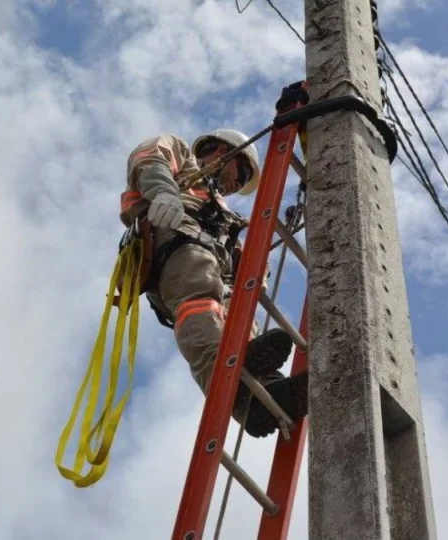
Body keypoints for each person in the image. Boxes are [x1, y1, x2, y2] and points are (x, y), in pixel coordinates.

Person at [119, 129, 308, 438]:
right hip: (177, 245)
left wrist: (256, 279)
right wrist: (164, 192)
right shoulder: (184, 159)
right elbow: (149, 159)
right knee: (202, 296)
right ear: (222, 151)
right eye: (241, 170)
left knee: (242, 322)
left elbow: (248, 266)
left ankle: (268, 390)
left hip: (217, 270)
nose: (239, 182)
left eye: (246, 175)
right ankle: (231, 388)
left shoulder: (226, 215)